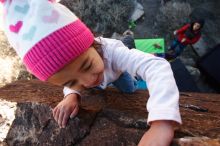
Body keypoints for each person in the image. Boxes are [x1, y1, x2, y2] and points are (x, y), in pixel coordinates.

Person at [1, 0, 181, 145]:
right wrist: (71, 94)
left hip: (117, 72)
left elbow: (157, 66)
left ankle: (129, 43)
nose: (87, 82)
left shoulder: (112, 52)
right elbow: (71, 80)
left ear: (91, 44)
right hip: (106, 74)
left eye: (86, 65)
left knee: (130, 89)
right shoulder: (79, 71)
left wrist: (162, 122)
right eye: (71, 82)